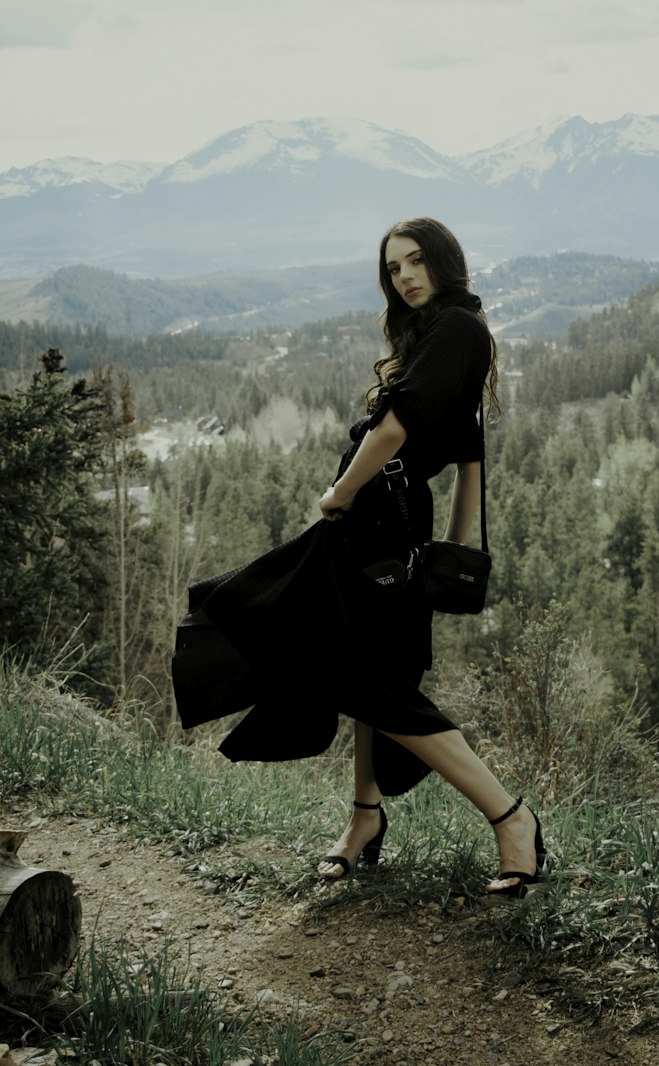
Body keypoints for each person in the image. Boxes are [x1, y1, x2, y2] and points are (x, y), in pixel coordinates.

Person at [172, 217, 544, 897]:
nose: (403, 277)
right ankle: (364, 818)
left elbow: (398, 430)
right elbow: (468, 461)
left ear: (444, 262)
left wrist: (338, 493)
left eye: (414, 262)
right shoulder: (444, 331)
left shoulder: (457, 330)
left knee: (363, 674)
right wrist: (445, 551)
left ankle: (511, 817)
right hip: (389, 528)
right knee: (361, 671)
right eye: (393, 267)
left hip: (372, 523)